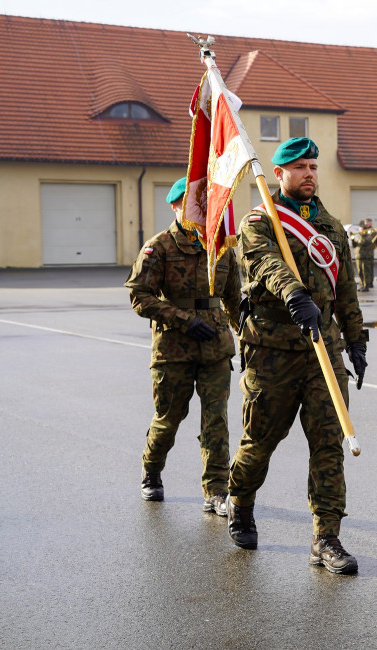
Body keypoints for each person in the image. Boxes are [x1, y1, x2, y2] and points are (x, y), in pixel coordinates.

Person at [228, 137, 368, 567]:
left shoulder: (331, 227)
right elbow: (266, 263)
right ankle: (241, 501)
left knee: (329, 443)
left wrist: (357, 339)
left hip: (322, 351)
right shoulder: (259, 221)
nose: (309, 173)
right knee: (260, 441)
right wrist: (293, 294)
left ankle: (326, 538)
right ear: (279, 174)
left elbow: (345, 290)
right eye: (299, 167)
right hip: (272, 350)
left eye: (313, 166)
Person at [126, 177, 240, 512]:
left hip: (216, 347)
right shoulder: (159, 246)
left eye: (205, 204)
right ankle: (151, 470)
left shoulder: (221, 246)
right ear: (176, 207)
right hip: (173, 348)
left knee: (216, 419)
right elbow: (139, 296)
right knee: (169, 417)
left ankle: (216, 490)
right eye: (193, 204)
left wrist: (246, 338)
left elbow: (234, 298)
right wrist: (184, 319)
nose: (201, 210)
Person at [352, 218, 377, 291]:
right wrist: (353, 239)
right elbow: (354, 245)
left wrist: (358, 237)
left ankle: (366, 285)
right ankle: (362, 285)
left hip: (366, 257)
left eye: (360, 229)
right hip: (358, 257)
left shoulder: (367, 236)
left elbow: (363, 242)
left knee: (366, 272)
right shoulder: (359, 236)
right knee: (360, 272)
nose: (359, 231)